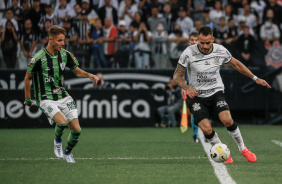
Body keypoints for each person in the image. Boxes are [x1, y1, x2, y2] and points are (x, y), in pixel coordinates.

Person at [173, 26, 271, 163]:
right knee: (206, 129)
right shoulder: (188, 52)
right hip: (196, 96)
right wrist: (187, 88)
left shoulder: (220, 50)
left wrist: (255, 78)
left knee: (227, 120)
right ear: (198, 41)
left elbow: (237, 64)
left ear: (212, 39)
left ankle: (243, 148)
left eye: (208, 42)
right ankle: (223, 151)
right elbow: (177, 76)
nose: (205, 46)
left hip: (215, 92)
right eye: (202, 43)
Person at [23, 25, 99, 163]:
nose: (63, 43)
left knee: (76, 130)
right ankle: (58, 140)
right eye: (59, 41)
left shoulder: (65, 55)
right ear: (50, 39)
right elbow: (27, 78)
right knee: (62, 122)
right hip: (45, 98)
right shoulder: (38, 57)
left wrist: (90, 75)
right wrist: (28, 99)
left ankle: (67, 153)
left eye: (63, 40)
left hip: (62, 95)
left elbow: (76, 71)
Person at [180, 32, 199, 143]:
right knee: (194, 109)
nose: (193, 42)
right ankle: (195, 135)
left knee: (209, 109)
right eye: (192, 40)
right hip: (191, 86)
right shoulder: (185, 54)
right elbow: (181, 72)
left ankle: (206, 132)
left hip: (205, 85)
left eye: (196, 40)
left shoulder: (204, 52)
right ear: (189, 41)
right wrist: (183, 87)